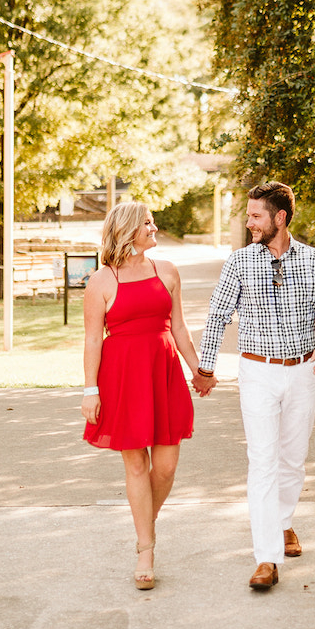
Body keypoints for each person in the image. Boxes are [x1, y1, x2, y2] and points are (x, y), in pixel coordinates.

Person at [191, 181, 315, 591]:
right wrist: (205, 368)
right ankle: (266, 558)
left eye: (256, 216)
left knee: (292, 458)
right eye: (249, 215)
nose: (249, 223)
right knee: (263, 461)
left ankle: (284, 523)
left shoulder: (314, 261)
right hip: (257, 372)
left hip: (302, 372)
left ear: (280, 217)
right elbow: (218, 315)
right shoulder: (239, 263)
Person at [81, 201, 203, 590]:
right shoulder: (101, 281)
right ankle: (145, 549)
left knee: (165, 468)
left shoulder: (166, 271)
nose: (154, 228)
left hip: (164, 372)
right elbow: (91, 341)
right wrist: (90, 390)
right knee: (136, 466)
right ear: (128, 230)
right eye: (147, 223)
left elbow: (179, 327)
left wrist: (199, 369)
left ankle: (143, 519)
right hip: (122, 378)